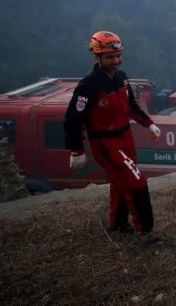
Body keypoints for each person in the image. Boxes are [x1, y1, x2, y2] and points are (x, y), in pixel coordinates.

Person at [64, 31, 162, 244]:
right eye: (110, 57)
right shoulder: (88, 86)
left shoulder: (122, 78)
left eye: (118, 55)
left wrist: (149, 123)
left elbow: (131, 107)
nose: (116, 61)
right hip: (106, 142)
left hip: (125, 137)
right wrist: (76, 151)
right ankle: (145, 230)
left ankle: (117, 223)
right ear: (96, 58)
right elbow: (73, 119)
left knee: (120, 181)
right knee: (136, 181)